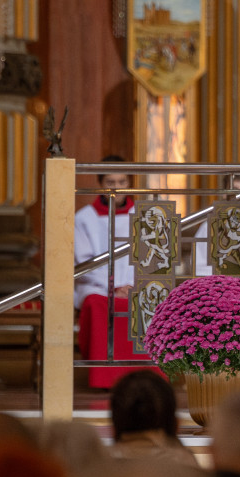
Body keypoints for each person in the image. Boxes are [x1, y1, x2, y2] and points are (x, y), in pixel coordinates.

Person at [74, 156, 158, 388]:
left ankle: (149, 376)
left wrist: (131, 285)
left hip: (134, 285)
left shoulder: (145, 215)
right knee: (96, 304)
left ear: (129, 183)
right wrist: (114, 286)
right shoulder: (84, 218)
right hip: (98, 286)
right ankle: (104, 377)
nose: (116, 188)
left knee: (152, 298)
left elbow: (151, 257)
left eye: (122, 181)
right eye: (110, 182)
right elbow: (83, 263)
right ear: (100, 184)